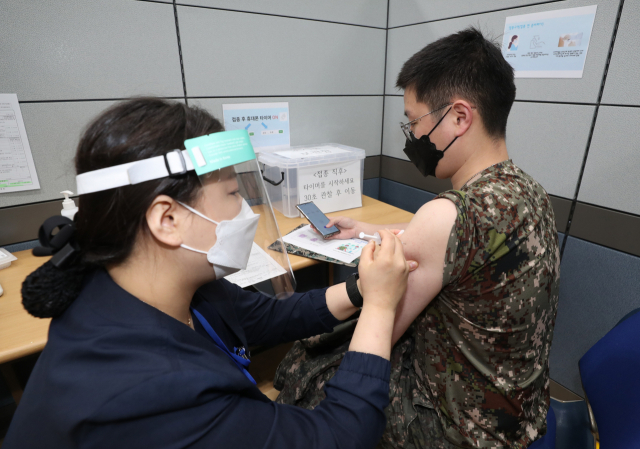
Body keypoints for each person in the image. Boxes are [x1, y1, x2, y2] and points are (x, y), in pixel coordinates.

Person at [3, 98, 419, 449]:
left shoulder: (164, 288)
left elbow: (267, 317)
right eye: (234, 194)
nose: (246, 212)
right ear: (167, 219)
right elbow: (339, 436)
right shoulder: (152, 393)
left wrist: (363, 289)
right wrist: (382, 307)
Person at [275, 27, 560, 448]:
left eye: (415, 121)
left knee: (315, 364)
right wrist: (368, 230)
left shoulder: (445, 216)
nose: (412, 136)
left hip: (462, 428)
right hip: (521, 412)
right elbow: (470, 248)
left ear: (460, 117)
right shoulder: (527, 190)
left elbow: (377, 335)